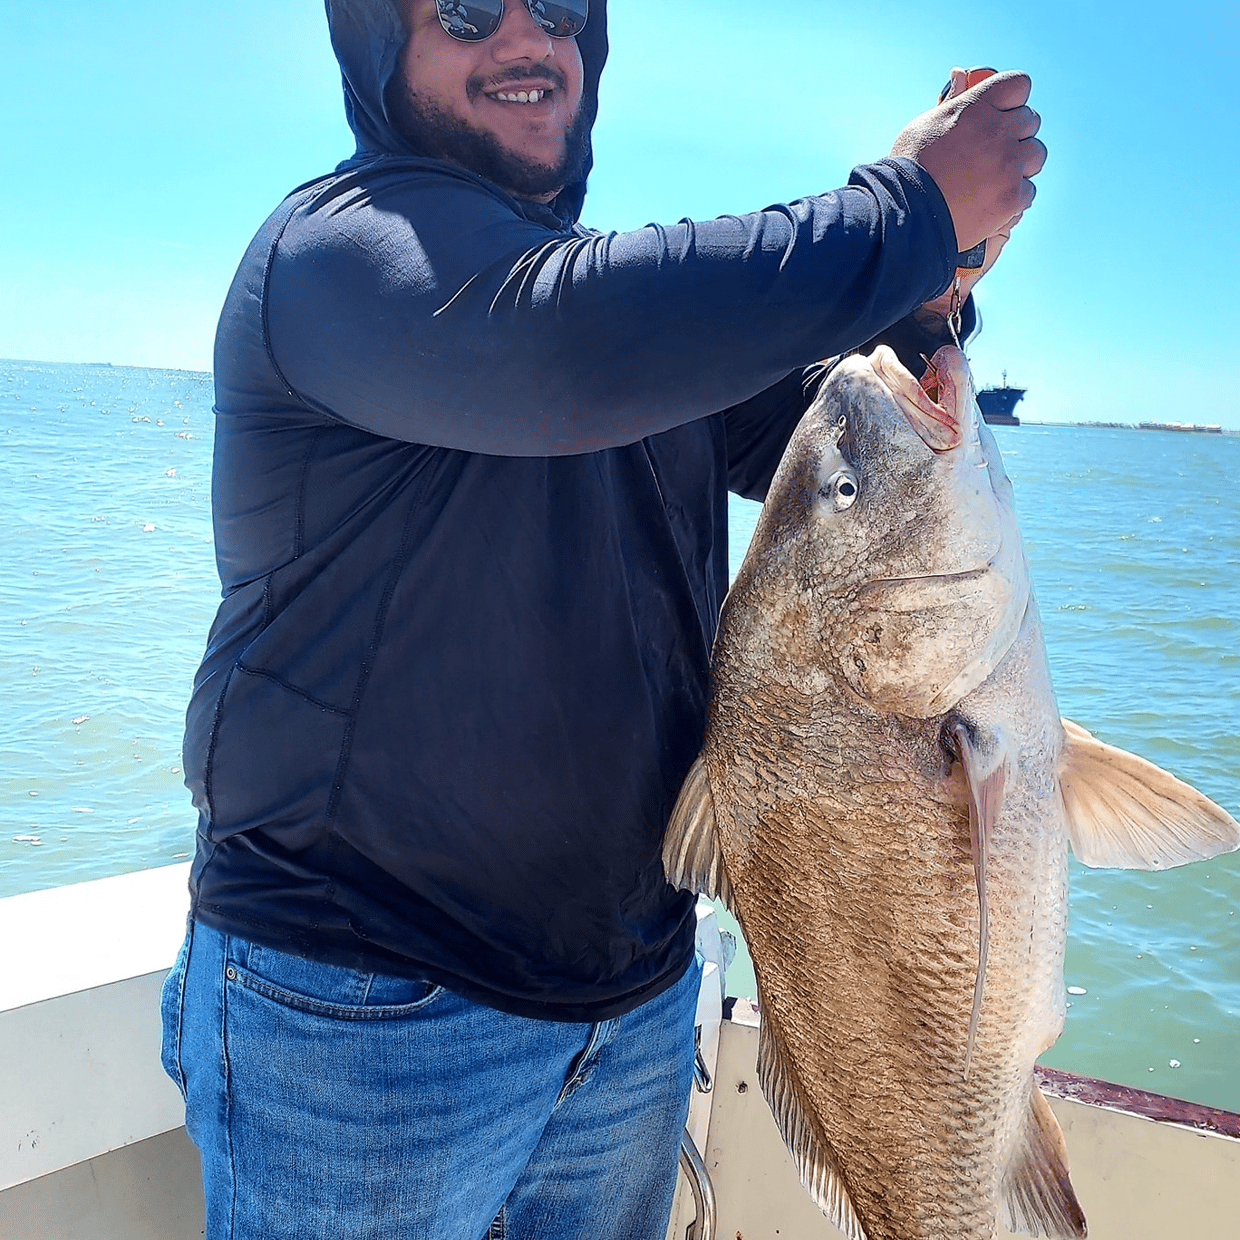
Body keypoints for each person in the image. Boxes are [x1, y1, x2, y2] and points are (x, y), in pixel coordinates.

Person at [159, 1, 1044, 1236]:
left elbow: (829, 433)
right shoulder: (337, 255)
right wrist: (903, 208)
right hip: (363, 1014)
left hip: (629, 1011)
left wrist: (928, 293)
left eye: (564, 12)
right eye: (467, 8)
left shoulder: (634, 335)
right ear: (376, 43)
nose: (531, 41)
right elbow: (557, 345)